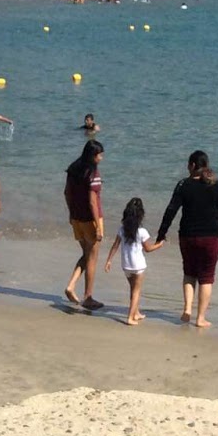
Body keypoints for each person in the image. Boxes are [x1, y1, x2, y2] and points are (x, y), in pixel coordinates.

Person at [157, 150, 218, 328]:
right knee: (207, 277)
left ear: (193, 166)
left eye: (188, 165)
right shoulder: (216, 186)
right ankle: (200, 318)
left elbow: (171, 210)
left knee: (189, 273)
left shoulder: (183, 185)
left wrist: (161, 234)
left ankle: (187, 309)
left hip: (188, 237)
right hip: (210, 238)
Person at [104, 196, 166, 325]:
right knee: (136, 291)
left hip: (126, 265)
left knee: (133, 288)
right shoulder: (142, 231)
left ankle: (136, 313)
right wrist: (159, 245)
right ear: (140, 215)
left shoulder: (122, 230)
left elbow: (115, 246)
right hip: (138, 266)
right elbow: (148, 249)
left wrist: (109, 260)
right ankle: (130, 317)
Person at [63, 139, 106, 310]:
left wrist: (70, 212)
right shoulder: (93, 173)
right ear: (93, 156)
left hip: (76, 218)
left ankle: (71, 285)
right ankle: (88, 296)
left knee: (86, 254)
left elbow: (66, 192)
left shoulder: (73, 168)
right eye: (99, 155)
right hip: (90, 219)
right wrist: (98, 226)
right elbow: (93, 201)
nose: (101, 158)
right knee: (92, 257)